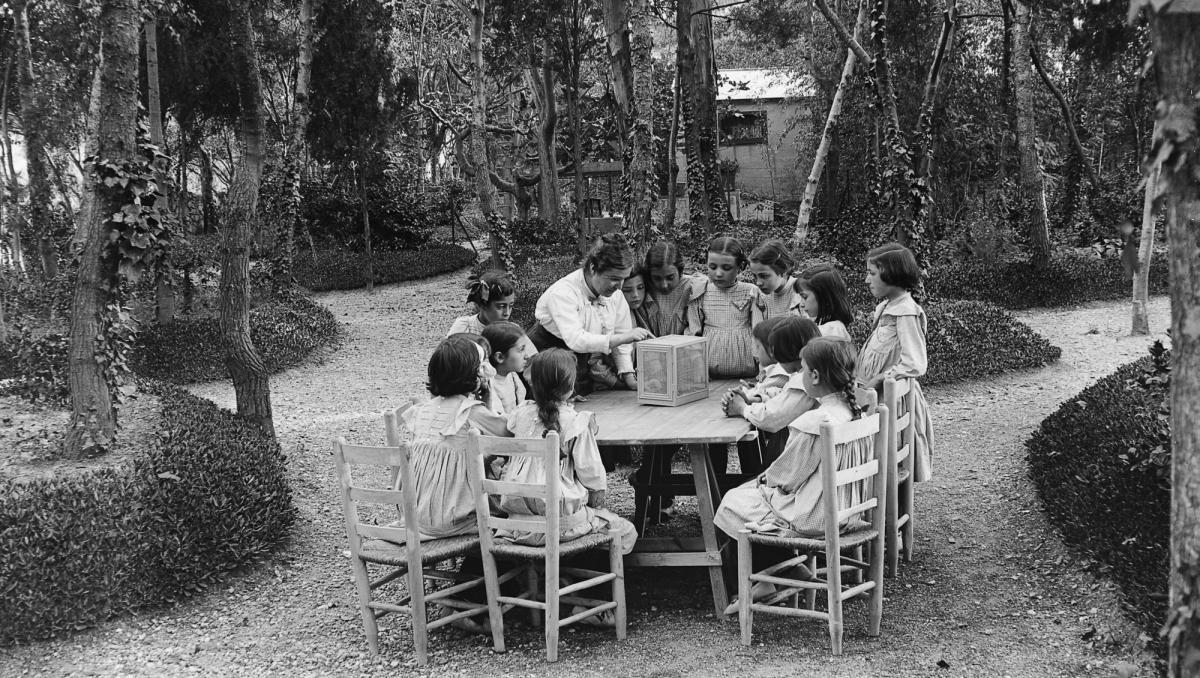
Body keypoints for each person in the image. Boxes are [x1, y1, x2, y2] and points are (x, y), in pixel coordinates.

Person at [713, 338, 868, 604]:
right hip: (849, 507)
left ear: (815, 376)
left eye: (803, 370)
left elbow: (787, 478)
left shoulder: (816, 421)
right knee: (752, 497)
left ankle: (761, 579)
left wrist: (764, 480)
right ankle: (789, 567)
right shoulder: (854, 414)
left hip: (816, 515)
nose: (799, 376)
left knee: (732, 501)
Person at [496, 349, 639, 555]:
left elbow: (513, 427)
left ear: (533, 384)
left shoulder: (520, 414)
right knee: (626, 532)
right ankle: (577, 571)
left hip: (516, 527)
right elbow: (591, 471)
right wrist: (596, 502)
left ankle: (546, 571)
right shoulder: (575, 422)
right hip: (562, 526)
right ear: (571, 386)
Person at [397, 335, 512, 541]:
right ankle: (501, 565)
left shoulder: (423, 409)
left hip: (413, 516)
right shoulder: (470, 412)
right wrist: (488, 399)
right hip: (452, 519)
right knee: (510, 510)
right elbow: (510, 434)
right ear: (476, 375)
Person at [530, 233, 653, 396]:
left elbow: (621, 334)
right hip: (545, 368)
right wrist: (622, 338)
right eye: (614, 278)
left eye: (623, 279)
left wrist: (628, 374)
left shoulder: (615, 295)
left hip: (579, 368)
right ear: (593, 268)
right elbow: (576, 340)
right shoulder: (563, 293)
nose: (619, 286)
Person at [856, 244, 934, 482]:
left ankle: (889, 510)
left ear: (891, 273)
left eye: (872, 273)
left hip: (890, 400)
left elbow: (915, 362)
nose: (867, 280)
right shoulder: (887, 307)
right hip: (875, 398)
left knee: (888, 460)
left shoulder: (906, 312)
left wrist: (882, 377)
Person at [723, 316, 822, 468]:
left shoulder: (806, 382)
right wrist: (755, 400)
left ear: (789, 351)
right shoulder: (805, 376)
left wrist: (742, 408)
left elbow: (771, 418)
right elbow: (783, 396)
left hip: (801, 463)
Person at [686, 236, 762, 379]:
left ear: (740, 268)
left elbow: (759, 331)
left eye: (726, 268)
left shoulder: (751, 292)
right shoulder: (700, 292)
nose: (719, 273)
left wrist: (763, 368)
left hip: (748, 374)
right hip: (709, 374)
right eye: (712, 267)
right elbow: (693, 334)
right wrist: (697, 368)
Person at [447, 269, 538, 360]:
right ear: (483, 305)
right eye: (500, 306)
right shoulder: (465, 327)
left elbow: (532, 362)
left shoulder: (513, 330)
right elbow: (447, 359)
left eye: (510, 306)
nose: (507, 313)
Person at [641, 240, 704, 336]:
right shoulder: (643, 290)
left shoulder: (694, 289)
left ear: (680, 272)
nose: (664, 285)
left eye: (670, 277)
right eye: (657, 278)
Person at [794, 264, 854, 341]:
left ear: (824, 297)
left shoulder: (833, 331)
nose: (801, 304)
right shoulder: (826, 326)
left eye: (805, 297)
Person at [480, 321, 529, 415]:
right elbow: (497, 420)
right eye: (521, 349)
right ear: (500, 357)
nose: (526, 356)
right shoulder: (489, 387)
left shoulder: (512, 375)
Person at [749, 239, 801, 320]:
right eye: (755, 276)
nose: (758, 283)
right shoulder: (762, 296)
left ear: (784, 270)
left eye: (764, 276)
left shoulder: (799, 291)